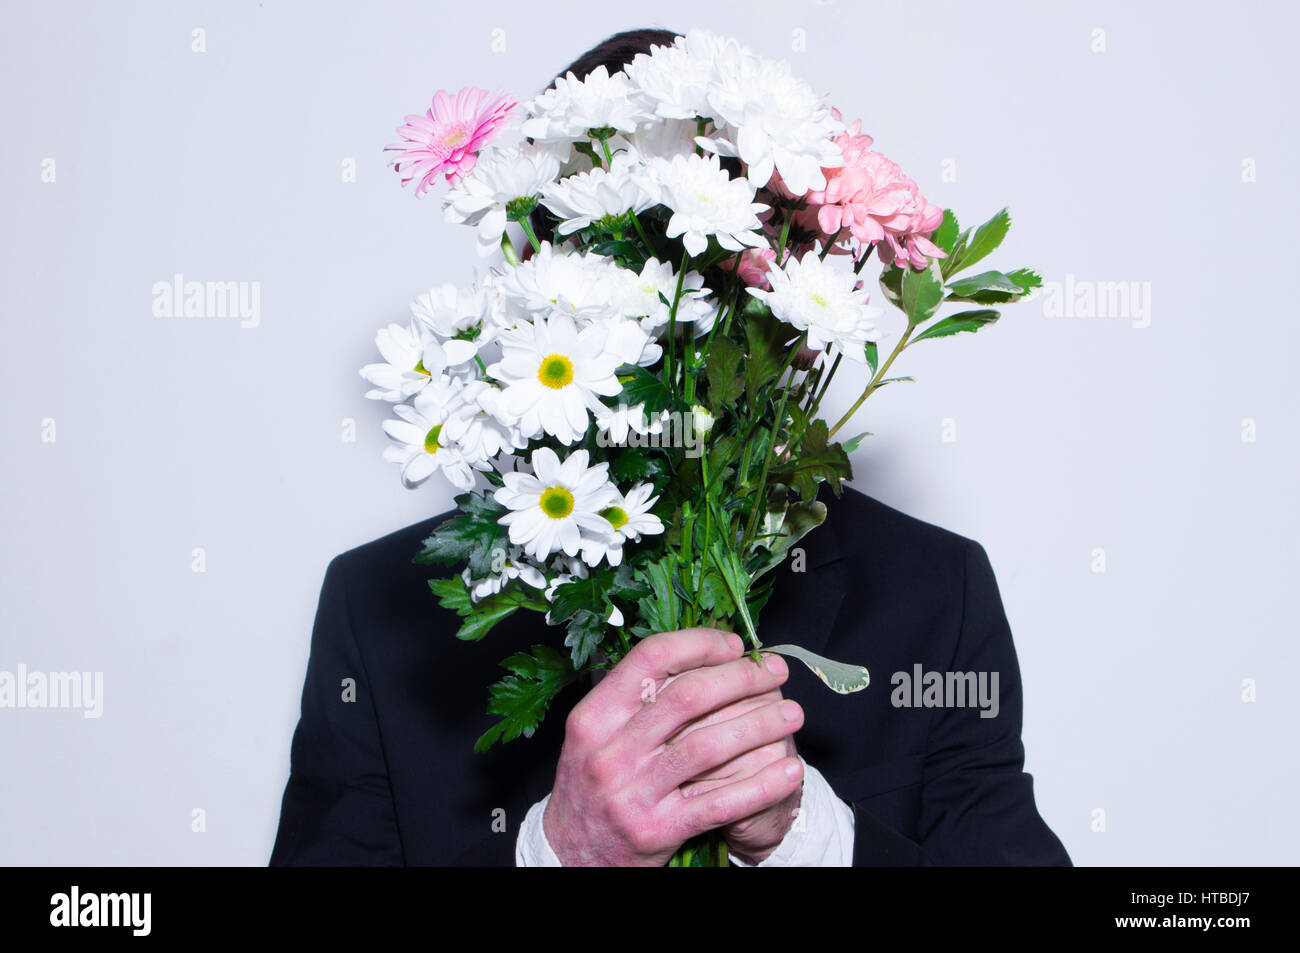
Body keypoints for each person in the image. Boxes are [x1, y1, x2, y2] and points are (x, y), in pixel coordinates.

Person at [269, 29, 1070, 867]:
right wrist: (559, 854)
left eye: (711, 270)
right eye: (622, 262)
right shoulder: (382, 615)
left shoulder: (933, 597)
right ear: (538, 291)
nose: (669, 332)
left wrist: (803, 841)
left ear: (794, 287)